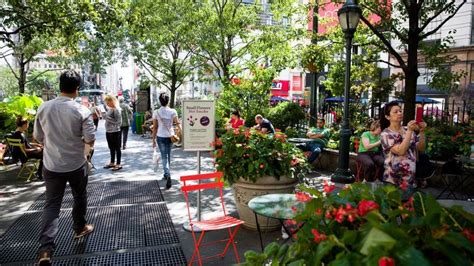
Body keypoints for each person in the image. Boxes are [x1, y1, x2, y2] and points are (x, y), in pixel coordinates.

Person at [33, 70, 96, 265]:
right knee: (79, 196)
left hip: (51, 165)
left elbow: (37, 137)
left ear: (60, 86)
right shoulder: (82, 111)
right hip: (76, 164)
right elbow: (90, 139)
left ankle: (45, 250)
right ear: (77, 89)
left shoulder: (44, 108)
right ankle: (79, 228)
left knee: (52, 205)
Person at [380, 101, 427, 193]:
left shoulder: (407, 129)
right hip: (392, 180)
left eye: (400, 111)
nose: (399, 113)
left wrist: (422, 132)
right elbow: (400, 151)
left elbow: (420, 148)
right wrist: (409, 131)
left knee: (407, 206)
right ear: (387, 117)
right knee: (393, 207)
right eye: (395, 111)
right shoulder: (386, 133)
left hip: (410, 179)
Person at [152, 92, 181, 190]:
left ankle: (167, 174)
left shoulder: (156, 112)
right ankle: (166, 173)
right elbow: (177, 124)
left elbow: (155, 127)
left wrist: (153, 139)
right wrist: (182, 133)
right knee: (168, 155)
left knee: (164, 156)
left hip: (160, 136)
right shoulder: (173, 111)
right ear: (168, 101)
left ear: (160, 101)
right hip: (170, 136)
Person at [103, 95, 122, 171]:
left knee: (117, 148)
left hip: (115, 131)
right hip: (108, 131)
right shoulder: (110, 109)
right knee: (111, 148)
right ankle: (112, 162)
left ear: (113, 101)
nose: (107, 103)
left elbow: (118, 122)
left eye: (108, 102)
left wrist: (107, 118)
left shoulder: (117, 110)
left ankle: (118, 163)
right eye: (106, 102)